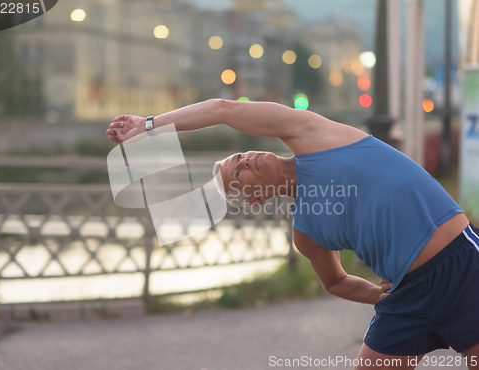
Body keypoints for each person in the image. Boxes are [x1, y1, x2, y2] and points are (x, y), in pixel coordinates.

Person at [106, 99, 479, 370]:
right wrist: (375, 294)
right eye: (238, 176)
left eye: (239, 160)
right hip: (406, 300)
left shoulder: (314, 135)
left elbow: (224, 110)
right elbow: (334, 282)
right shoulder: (306, 232)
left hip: (462, 269)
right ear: (255, 198)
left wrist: (148, 126)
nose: (244, 162)